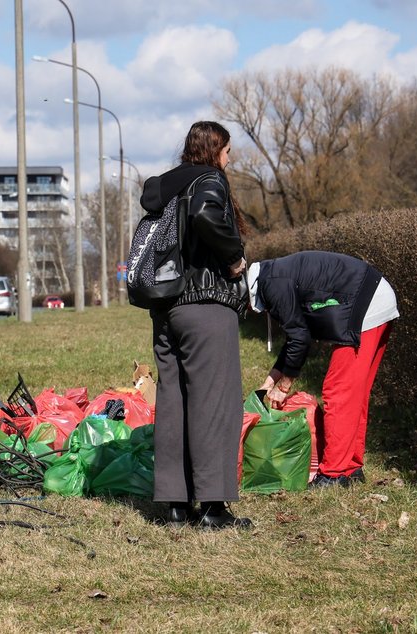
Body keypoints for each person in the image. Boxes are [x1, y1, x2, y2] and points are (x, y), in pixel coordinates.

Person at [142, 121, 252, 529]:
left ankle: (174, 506)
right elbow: (206, 215)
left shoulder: (166, 185)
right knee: (214, 404)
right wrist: (233, 256)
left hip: (167, 307)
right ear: (213, 149)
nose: (230, 157)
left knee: (173, 402)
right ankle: (212, 508)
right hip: (206, 303)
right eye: (227, 149)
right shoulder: (210, 179)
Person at [248, 251, 399, 487]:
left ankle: (334, 473)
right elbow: (295, 336)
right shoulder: (272, 275)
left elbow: (299, 338)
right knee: (353, 393)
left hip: (365, 307)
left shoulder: (272, 284)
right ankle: (350, 466)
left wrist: (284, 386)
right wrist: (269, 383)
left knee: (338, 391)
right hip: (374, 298)